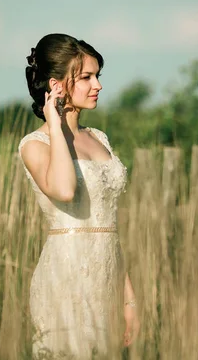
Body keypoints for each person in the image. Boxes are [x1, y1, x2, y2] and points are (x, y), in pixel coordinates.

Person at [17, 33, 140, 358]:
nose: (97, 84)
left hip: (108, 279)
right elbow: (64, 189)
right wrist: (55, 124)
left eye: (98, 75)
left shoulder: (98, 137)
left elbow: (107, 226)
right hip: (66, 279)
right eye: (86, 77)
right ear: (56, 84)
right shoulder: (35, 145)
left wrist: (128, 299)